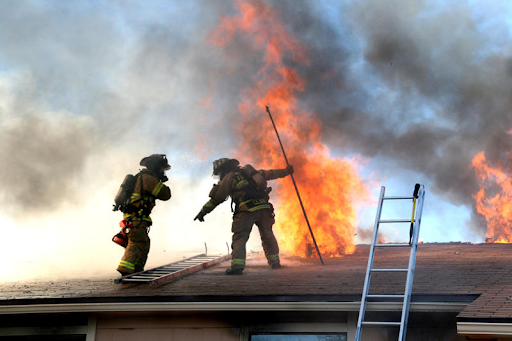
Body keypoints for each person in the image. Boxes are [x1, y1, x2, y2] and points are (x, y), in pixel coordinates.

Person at [194, 158, 294, 275]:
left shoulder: (228, 178)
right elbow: (270, 173)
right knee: (267, 235)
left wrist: (202, 212)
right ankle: (275, 262)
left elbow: (216, 199)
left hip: (246, 210)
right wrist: (286, 171)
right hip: (263, 207)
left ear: (223, 169)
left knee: (240, 238)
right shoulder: (250, 172)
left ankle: (237, 267)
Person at [117, 154, 171, 276]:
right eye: (162, 169)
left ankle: (137, 269)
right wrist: (161, 182)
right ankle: (125, 269)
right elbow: (165, 195)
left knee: (143, 243)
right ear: (156, 167)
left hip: (134, 218)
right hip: (137, 218)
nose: (163, 172)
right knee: (136, 242)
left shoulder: (140, 177)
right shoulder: (149, 179)